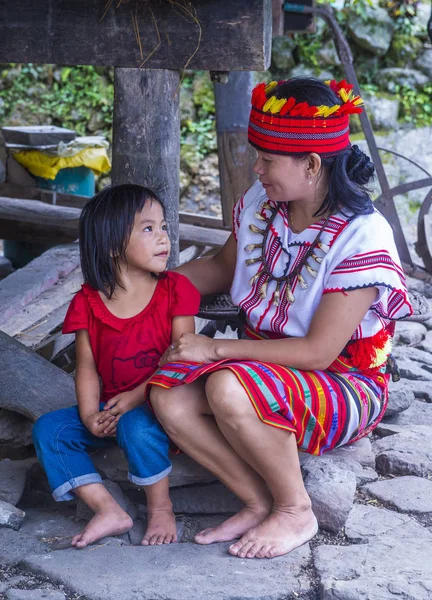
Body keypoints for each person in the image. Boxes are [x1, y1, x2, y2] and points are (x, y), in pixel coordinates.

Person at [148, 78, 413, 560]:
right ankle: (255, 499)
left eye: (268, 160)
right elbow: (223, 269)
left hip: (342, 383)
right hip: (259, 367)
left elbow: (316, 352)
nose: (257, 168)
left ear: (311, 165)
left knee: (225, 386)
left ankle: (296, 509)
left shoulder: (362, 236)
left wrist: (214, 349)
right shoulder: (263, 204)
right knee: (168, 394)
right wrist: (156, 286)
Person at [32, 184, 200, 549]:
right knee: (50, 429)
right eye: (148, 228)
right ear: (111, 246)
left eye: (164, 227)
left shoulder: (176, 290)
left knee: (137, 427)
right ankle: (107, 509)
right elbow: (88, 367)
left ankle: (160, 508)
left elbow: (181, 361)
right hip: (111, 409)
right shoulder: (86, 302)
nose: (163, 238)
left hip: (163, 408)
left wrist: (136, 397)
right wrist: (91, 414)